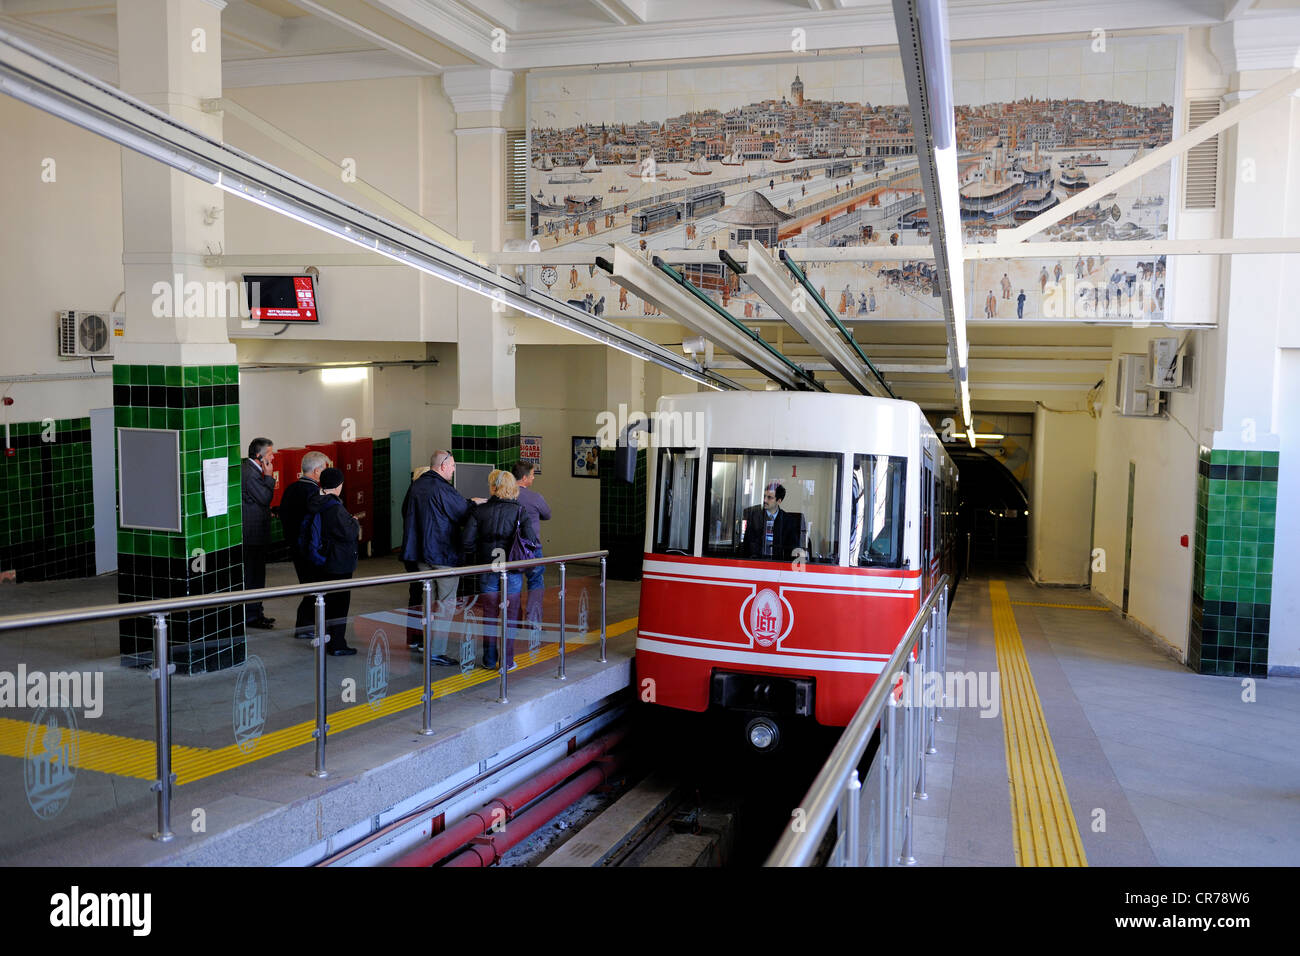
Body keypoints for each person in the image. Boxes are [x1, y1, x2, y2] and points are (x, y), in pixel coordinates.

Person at [400, 450, 476, 665]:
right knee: (445, 604)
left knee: (427, 601)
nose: (453, 470)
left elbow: (407, 513)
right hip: (443, 554)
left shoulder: (416, 486)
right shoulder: (443, 488)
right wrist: (474, 503)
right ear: (443, 465)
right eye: (452, 466)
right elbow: (462, 513)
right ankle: (435, 652)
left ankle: (424, 642)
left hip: (419, 554)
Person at [463, 471, 538, 671]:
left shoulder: (480, 511)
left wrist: (475, 555)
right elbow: (532, 541)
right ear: (512, 487)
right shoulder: (520, 512)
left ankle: (488, 659)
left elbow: (467, 541)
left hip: (488, 568)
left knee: (489, 614)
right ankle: (506, 661)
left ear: (493, 487)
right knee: (510, 615)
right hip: (511, 570)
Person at [300, 468, 359, 656]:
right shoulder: (335, 507)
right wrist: (354, 522)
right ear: (339, 485)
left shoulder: (315, 502)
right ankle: (337, 644)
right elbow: (349, 533)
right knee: (340, 605)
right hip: (338, 563)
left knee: (327, 603)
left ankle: (325, 639)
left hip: (322, 560)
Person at [279, 450, 330, 640]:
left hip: (294, 546)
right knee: (315, 587)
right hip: (309, 548)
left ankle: (305, 626)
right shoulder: (313, 493)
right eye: (325, 468)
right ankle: (306, 626)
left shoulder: (291, 488)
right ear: (317, 471)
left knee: (308, 586)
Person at [241, 437, 276, 629]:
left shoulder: (253, 470)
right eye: (270, 454)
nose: (273, 457)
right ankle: (252, 616)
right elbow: (264, 498)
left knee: (257, 575)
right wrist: (269, 477)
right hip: (252, 535)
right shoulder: (250, 473)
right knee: (253, 576)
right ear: (259, 456)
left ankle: (256, 612)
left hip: (256, 533)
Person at [512, 462, 551, 623]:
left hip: (512, 550)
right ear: (524, 477)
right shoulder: (535, 497)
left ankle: (514, 619)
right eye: (532, 475)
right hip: (533, 549)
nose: (534, 478)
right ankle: (533, 620)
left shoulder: (507, 496)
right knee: (535, 581)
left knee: (514, 584)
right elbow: (547, 514)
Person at [741, 482, 804, 562]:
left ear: (779, 501)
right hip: (756, 564)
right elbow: (746, 546)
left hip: (780, 565)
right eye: (764, 496)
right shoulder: (754, 517)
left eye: (769, 497)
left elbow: (793, 550)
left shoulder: (789, 521)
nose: (764, 500)